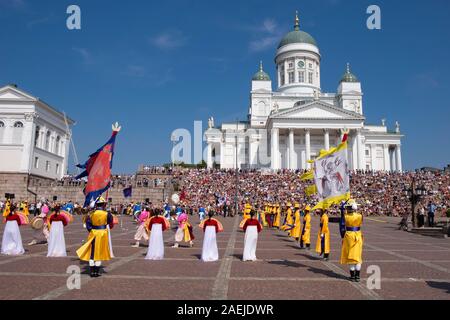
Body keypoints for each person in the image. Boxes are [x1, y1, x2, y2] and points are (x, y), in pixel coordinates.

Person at [76, 197, 115, 278]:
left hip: (93, 233)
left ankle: (92, 272)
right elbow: (110, 221)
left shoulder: (91, 214)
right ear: (103, 205)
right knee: (99, 251)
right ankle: (96, 272)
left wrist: (92, 230)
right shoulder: (107, 213)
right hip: (102, 233)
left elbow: (88, 225)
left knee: (92, 252)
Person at [340, 199, 364, 282]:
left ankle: (352, 276)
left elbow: (342, 226)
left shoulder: (346, 216)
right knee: (357, 256)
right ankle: (357, 276)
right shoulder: (360, 215)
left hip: (349, 236)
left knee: (350, 256)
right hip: (358, 235)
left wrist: (343, 206)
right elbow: (361, 222)